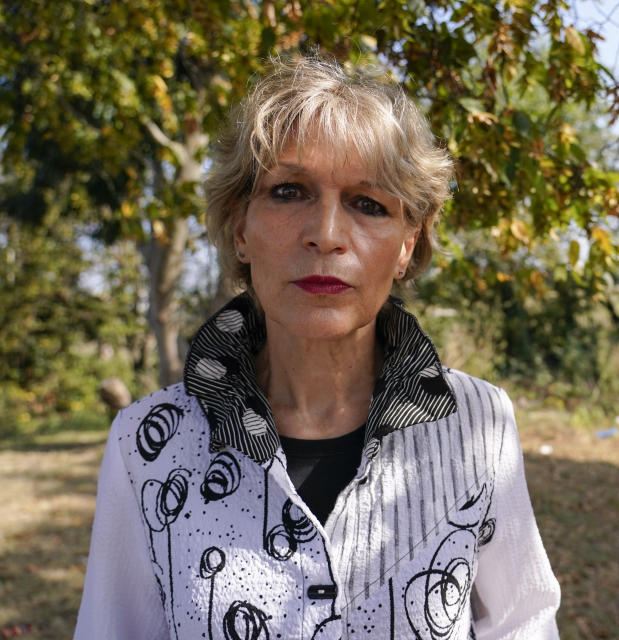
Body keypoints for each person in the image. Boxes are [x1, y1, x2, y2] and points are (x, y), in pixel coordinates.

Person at [73, 53, 560, 640]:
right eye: (288, 191)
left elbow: (522, 622)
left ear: (408, 244)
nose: (326, 235)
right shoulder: (148, 447)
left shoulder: (479, 423)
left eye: (368, 204)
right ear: (239, 229)